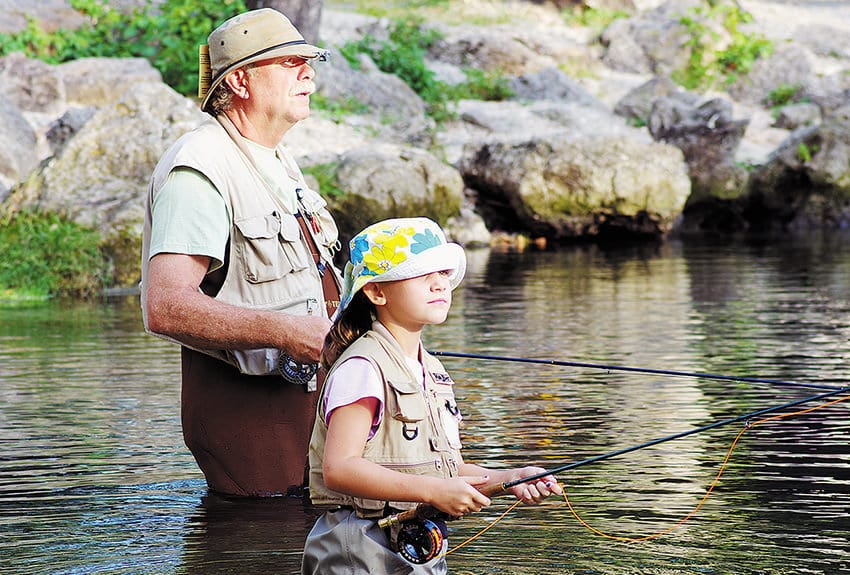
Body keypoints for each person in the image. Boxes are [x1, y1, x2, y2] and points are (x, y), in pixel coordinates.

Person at [139, 8, 342, 497]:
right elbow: (164, 307)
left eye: (308, 61)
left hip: (306, 418)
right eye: (289, 62)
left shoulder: (276, 158)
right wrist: (290, 332)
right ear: (242, 81)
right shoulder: (200, 169)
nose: (307, 72)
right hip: (256, 431)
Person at [301, 217, 562, 574]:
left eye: (442, 272)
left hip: (412, 545)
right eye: (421, 274)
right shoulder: (361, 367)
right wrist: (432, 492)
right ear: (377, 292)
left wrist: (511, 478)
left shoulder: (431, 370)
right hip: (358, 552)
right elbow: (339, 468)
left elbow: (443, 470)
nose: (439, 283)